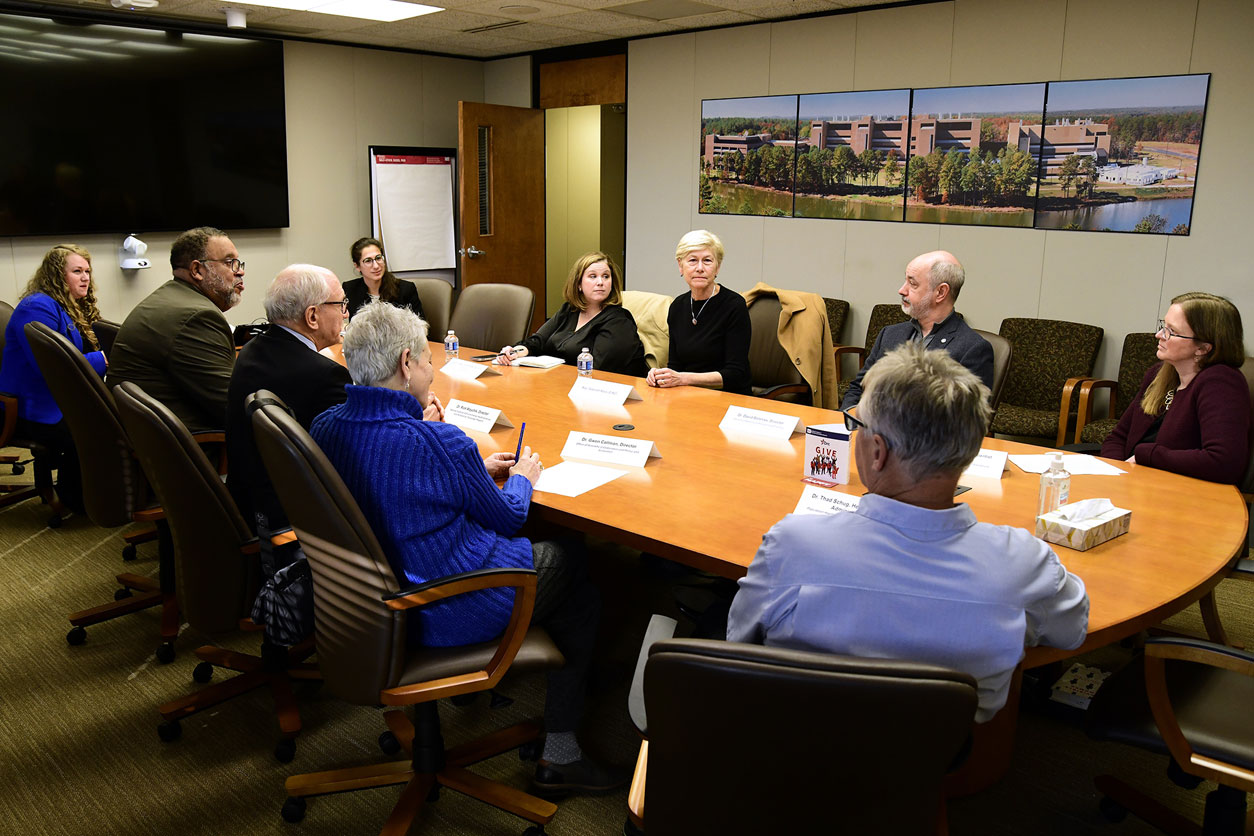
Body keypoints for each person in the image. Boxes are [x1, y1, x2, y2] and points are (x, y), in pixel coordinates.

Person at [311, 302, 624, 794]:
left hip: (367, 608)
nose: (433, 369)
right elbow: (510, 518)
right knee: (573, 566)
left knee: (567, 580)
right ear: (407, 362)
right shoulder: (437, 442)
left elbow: (407, 490)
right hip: (446, 606)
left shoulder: (325, 426)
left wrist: (474, 471)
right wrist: (521, 478)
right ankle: (561, 751)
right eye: (428, 360)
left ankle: (505, 692)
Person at [728, 343, 1089, 722]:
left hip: (795, 743)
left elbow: (737, 642)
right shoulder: (1023, 563)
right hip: (938, 759)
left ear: (878, 452)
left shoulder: (793, 544)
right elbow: (1071, 631)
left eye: (858, 427)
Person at [226, 264, 352, 534]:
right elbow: (351, 458)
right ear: (313, 316)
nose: (346, 313)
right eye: (340, 304)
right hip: (293, 514)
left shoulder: (251, 349)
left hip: (248, 499)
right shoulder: (326, 375)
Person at [0, 244, 107, 513]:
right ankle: (76, 500)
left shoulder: (66, 306)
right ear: (57, 276)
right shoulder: (37, 307)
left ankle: (96, 496)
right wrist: (104, 359)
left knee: (108, 418)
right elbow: (51, 365)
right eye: (77, 271)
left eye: (87, 271)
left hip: (53, 400)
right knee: (93, 430)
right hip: (28, 410)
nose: (85, 278)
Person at [1100, 292, 1249, 484]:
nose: (1159, 335)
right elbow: (1118, 437)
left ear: (1203, 348)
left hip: (1182, 495)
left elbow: (1224, 462)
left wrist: (1145, 456)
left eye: (1171, 331)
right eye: (1163, 326)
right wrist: (1116, 474)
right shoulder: (1160, 374)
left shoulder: (1221, 382)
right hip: (1134, 483)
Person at [108, 227, 243, 432]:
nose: (239, 271)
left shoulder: (169, 297)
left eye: (238, 263)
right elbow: (233, 407)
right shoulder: (197, 318)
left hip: (148, 441)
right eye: (229, 262)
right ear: (197, 270)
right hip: (188, 450)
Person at [841, 250, 993, 410]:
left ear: (941, 292)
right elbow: (858, 388)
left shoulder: (973, 349)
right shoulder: (890, 334)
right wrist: (845, 424)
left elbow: (966, 419)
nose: (902, 290)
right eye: (905, 281)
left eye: (912, 284)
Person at [497, 251, 648, 376]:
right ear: (578, 284)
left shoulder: (619, 320)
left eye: (606, 276)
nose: (601, 282)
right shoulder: (569, 310)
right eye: (593, 276)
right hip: (561, 383)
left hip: (603, 394)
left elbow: (599, 370)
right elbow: (538, 341)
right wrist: (516, 352)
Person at [646, 229, 751, 395]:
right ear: (680, 266)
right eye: (692, 260)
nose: (700, 268)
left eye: (707, 261)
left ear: (718, 267)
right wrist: (661, 375)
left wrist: (683, 379)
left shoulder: (734, 305)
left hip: (728, 398)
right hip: (685, 395)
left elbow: (736, 374)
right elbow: (675, 365)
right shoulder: (677, 306)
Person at [343, 237, 424, 320]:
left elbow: (421, 328)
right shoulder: (349, 289)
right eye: (368, 261)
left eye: (378, 258)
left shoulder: (406, 289)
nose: (376, 266)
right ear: (357, 266)